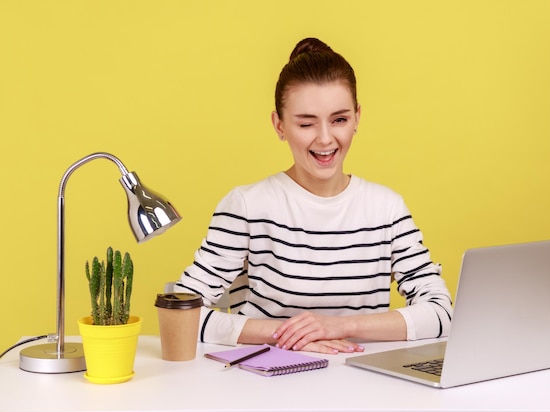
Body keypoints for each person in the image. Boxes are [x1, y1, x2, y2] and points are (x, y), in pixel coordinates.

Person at [175, 37, 452, 354]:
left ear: (357, 118)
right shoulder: (248, 207)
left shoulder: (386, 209)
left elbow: (441, 312)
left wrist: (342, 326)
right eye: (306, 123)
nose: (325, 139)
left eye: (339, 120)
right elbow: (182, 316)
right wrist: (290, 334)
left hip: (364, 388)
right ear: (279, 125)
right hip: (267, 389)